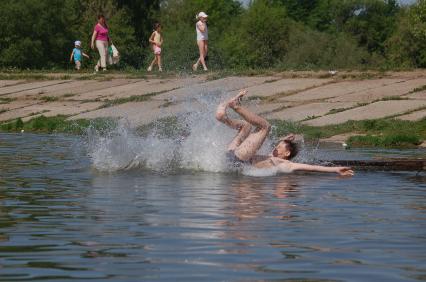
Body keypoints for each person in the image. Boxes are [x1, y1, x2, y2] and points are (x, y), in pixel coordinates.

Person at [216, 90, 355, 176]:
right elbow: (268, 152)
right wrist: (282, 141)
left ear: (287, 153)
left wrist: (335, 169)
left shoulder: (283, 165)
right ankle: (224, 117)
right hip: (234, 158)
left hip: (233, 158)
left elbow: (311, 167)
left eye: (279, 146)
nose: (276, 147)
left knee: (265, 127)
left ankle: (234, 106)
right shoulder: (271, 159)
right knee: (246, 126)